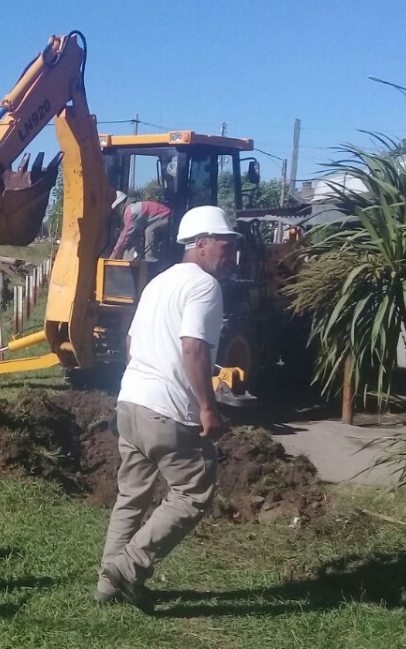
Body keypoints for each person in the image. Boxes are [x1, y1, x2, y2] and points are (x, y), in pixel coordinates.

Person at [95, 205, 240, 613]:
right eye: (226, 247)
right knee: (194, 491)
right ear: (201, 244)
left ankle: (109, 583)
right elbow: (193, 346)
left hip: (131, 401)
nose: (231, 257)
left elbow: (130, 341)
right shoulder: (204, 287)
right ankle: (127, 567)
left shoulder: (159, 282)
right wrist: (208, 408)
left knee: (132, 495)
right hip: (167, 409)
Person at [110, 191, 172, 261]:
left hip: (168, 217)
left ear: (119, 205)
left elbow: (126, 235)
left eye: (116, 209)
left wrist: (114, 253)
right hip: (160, 218)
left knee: (149, 230)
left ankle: (150, 261)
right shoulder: (131, 209)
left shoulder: (131, 211)